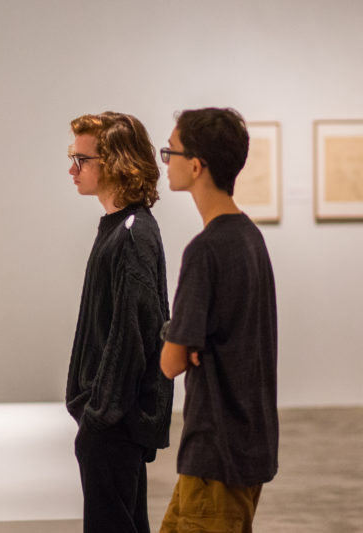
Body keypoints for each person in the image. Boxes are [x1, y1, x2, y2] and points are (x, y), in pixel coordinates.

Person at [159, 107, 278, 533]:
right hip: (246, 448)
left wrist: (176, 339)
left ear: (195, 165)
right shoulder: (251, 238)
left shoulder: (205, 250)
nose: (165, 161)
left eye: (169, 152)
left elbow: (170, 363)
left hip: (215, 454)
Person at [65, 112, 173, 533]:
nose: (71, 169)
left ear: (113, 163)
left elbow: (132, 337)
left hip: (115, 423)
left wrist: (99, 416)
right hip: (113, 420)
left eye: (81, 159)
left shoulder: (131, 234)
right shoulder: (119, 227)